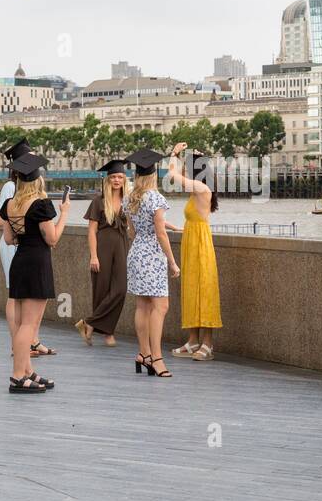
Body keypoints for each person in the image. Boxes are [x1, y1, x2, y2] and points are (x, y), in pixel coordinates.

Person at [0, 152, 70, 394]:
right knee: (29, 325)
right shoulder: (41, 205)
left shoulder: (9, 205)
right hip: (37, 262)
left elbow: (9, 239)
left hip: (19, 262)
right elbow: (52, 239)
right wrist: (65, 214)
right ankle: (18, 376)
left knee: (21, 324)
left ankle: (27, 371)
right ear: (38, 180)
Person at [0, 138, 57, 360]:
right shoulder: (11, 188)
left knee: (26, 309)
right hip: (22, 248)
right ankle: (21, 346)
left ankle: (31, 343)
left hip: (21, 247)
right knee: (18, 300)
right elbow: (1, 221)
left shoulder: (24, 193)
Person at [124, 148, 180, 378]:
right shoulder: (156, 198)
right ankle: (157, 359)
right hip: (153, 256)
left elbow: (132, 231)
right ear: (153, 175)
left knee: (142, 306)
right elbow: (160, 234)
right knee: (160, 307)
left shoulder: (129, 199)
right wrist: (173, 262)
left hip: (136, 252)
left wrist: (167, 226)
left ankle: (144, 354)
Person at [167, 143, 221, 361]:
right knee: (191, 289)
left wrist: (173, 154)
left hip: (200, 243)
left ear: (198, 173)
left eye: (190, 170)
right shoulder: (195, 188)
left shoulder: (202, 189)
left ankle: (207, 343)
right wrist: (185, 160)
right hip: (192, 239)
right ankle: (192, 341)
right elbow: (178, 177)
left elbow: (172, 176)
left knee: (204, 290)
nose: (186, 173)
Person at [75, 159, 132, 348]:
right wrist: (93, 256)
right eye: (113, 177)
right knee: (102, 290)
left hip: (122, 247)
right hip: (102, 249)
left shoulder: (129, 201)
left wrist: (171, 226)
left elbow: (150, 219)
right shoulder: (98, 202)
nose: (117, 180)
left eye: (120, 177)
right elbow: (91, 230)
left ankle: (89, 323)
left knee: (120, 289)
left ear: (125, 179)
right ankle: (108, 333)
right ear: (108, 180)